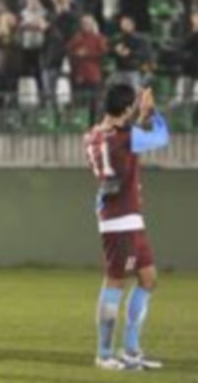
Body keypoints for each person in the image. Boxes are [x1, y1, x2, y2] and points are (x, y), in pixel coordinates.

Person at [84, 85, 169, 371]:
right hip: (121, 218)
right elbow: (160, 137)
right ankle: (105, 354)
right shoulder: (126, 137)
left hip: (122, 215)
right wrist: (152, 113)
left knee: (148, 279)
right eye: (131, 105)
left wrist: (137, 117)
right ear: (125, 109)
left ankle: (131, 350)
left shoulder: (94, 134)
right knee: (115, 281)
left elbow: (122, 135)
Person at [67, 15, 108, 123]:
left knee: (95, 101)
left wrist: (87, 54)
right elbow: (69, 52)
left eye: (88, 23)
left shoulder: (99, 38)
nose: (85, 26)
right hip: (79, 74)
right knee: (79, 100)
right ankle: (79, 122)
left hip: (94, 74)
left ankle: (95, 122)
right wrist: (76, 54)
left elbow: (103, 54)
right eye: (83, 23)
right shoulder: (77, 38)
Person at [111, 16, 151, 91]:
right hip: (119, 69)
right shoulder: (117, 38)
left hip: (134, 70)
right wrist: (115, 51)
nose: (124, 26)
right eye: (123, 24)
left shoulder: (140, 39)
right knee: (117, 92)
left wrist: (130, 52)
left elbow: (145, 53)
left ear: (132, 25)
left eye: (127, 24)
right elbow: (110, 53)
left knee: (135, 93)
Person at [175, 12, 198, 102]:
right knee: (182, 98)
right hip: (187, 69)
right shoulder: (186, 30)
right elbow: (182, 47)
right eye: (195, 18)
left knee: (195, 98)